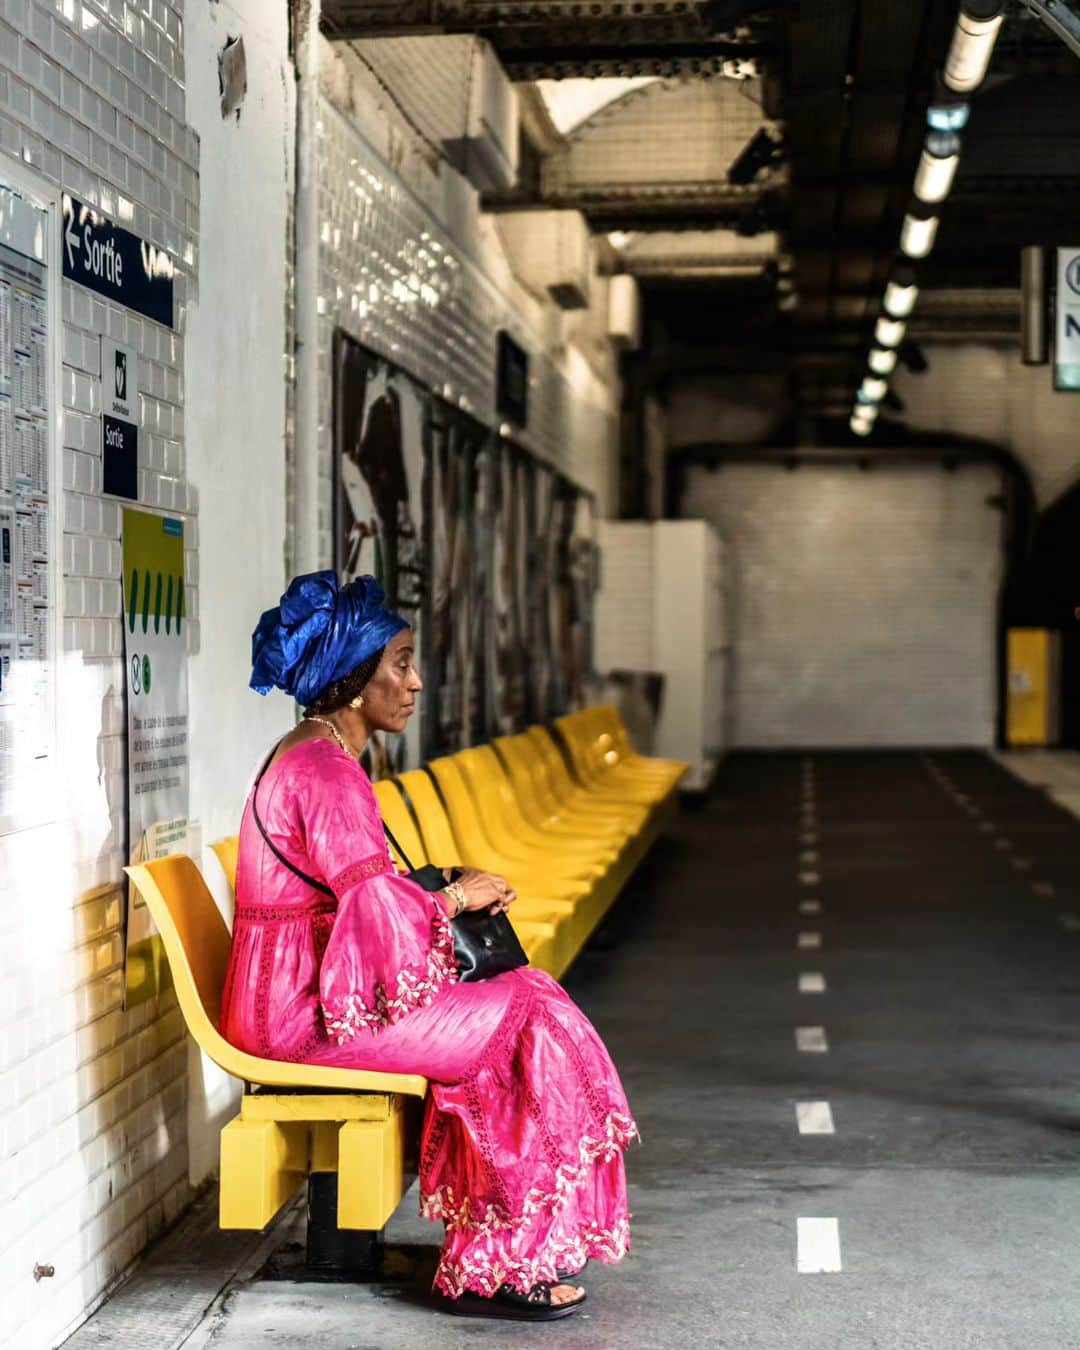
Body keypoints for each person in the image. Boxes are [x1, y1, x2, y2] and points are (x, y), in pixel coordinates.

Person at [220, 571, 637, 1322]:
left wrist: (441, 882)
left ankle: (505, 1248)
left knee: (531, 998)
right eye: (401, 663)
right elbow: (374, 913)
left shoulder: (320, 754)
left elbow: (358, 894)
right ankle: (500, 1267)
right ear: (351, 682)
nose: (416, 681)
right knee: (526, 1022)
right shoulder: (325, 773)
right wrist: (451, 899)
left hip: (305, 988)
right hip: (301, 1013)